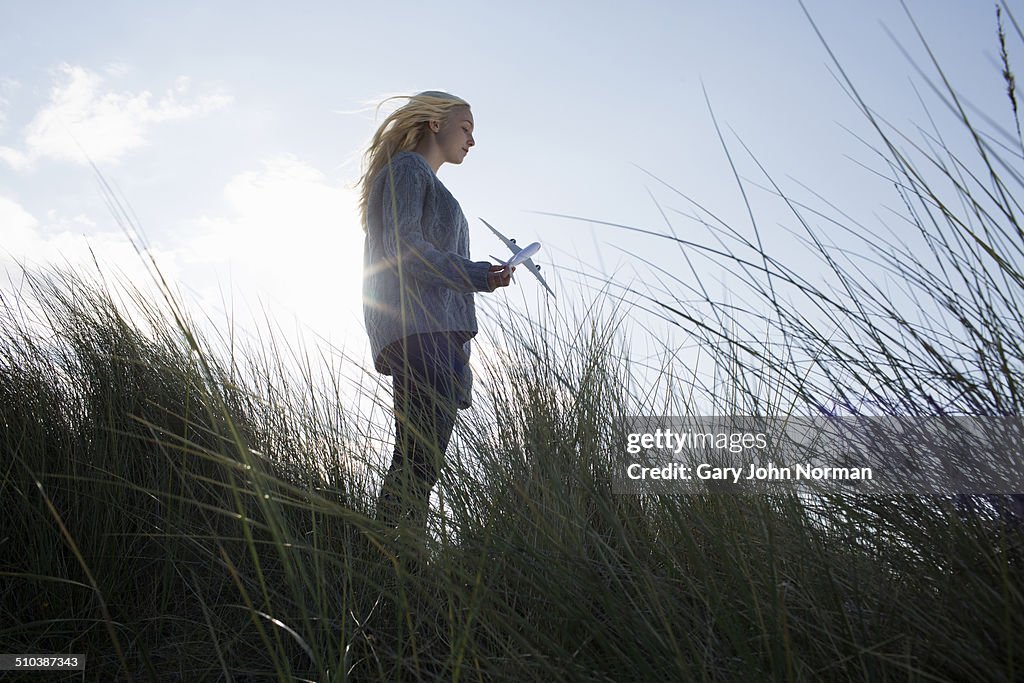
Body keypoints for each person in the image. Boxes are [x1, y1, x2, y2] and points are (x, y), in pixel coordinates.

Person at [358, 90, 513, 538]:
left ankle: (402, 559)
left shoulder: (423, 179)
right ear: (434, 124)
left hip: (437, 333)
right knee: (417, 463)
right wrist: (477, 274)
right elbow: (404, 251)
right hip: (421, 332)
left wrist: (482, 276)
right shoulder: (406, 170)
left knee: (419, 464)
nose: (471, 139)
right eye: (465, 128)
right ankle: (391, 563)